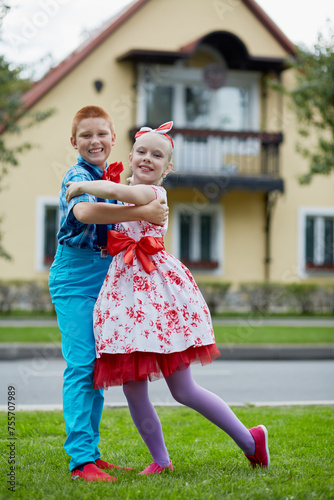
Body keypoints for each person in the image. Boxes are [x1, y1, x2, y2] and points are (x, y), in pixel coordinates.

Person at [66, 121, 270, 476]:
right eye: (142, 152)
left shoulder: (152, 195)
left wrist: (82, 185)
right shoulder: (126, 188)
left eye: (157, 155)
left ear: (168, 167)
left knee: (184, 389)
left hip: (156, 297)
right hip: (127, 298)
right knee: (133, 388)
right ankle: (160, 460)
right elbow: (105, 207)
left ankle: (251, 441)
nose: (147, 159)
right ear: (130, 157)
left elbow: (122, 196)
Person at [48, 106, 168, 483]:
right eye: (86, 135)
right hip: (75, 276)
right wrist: (147, 207)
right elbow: (83, 213)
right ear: (75, 142)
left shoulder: (111, 177)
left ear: (114, 139)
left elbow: (143, 210)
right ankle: (81, 461)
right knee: (82, 364)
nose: (95, 141)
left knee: (98, 368)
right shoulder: (77, 175)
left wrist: (150, 205)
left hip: (108, 275)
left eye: (102, 134)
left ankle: (92, 454)